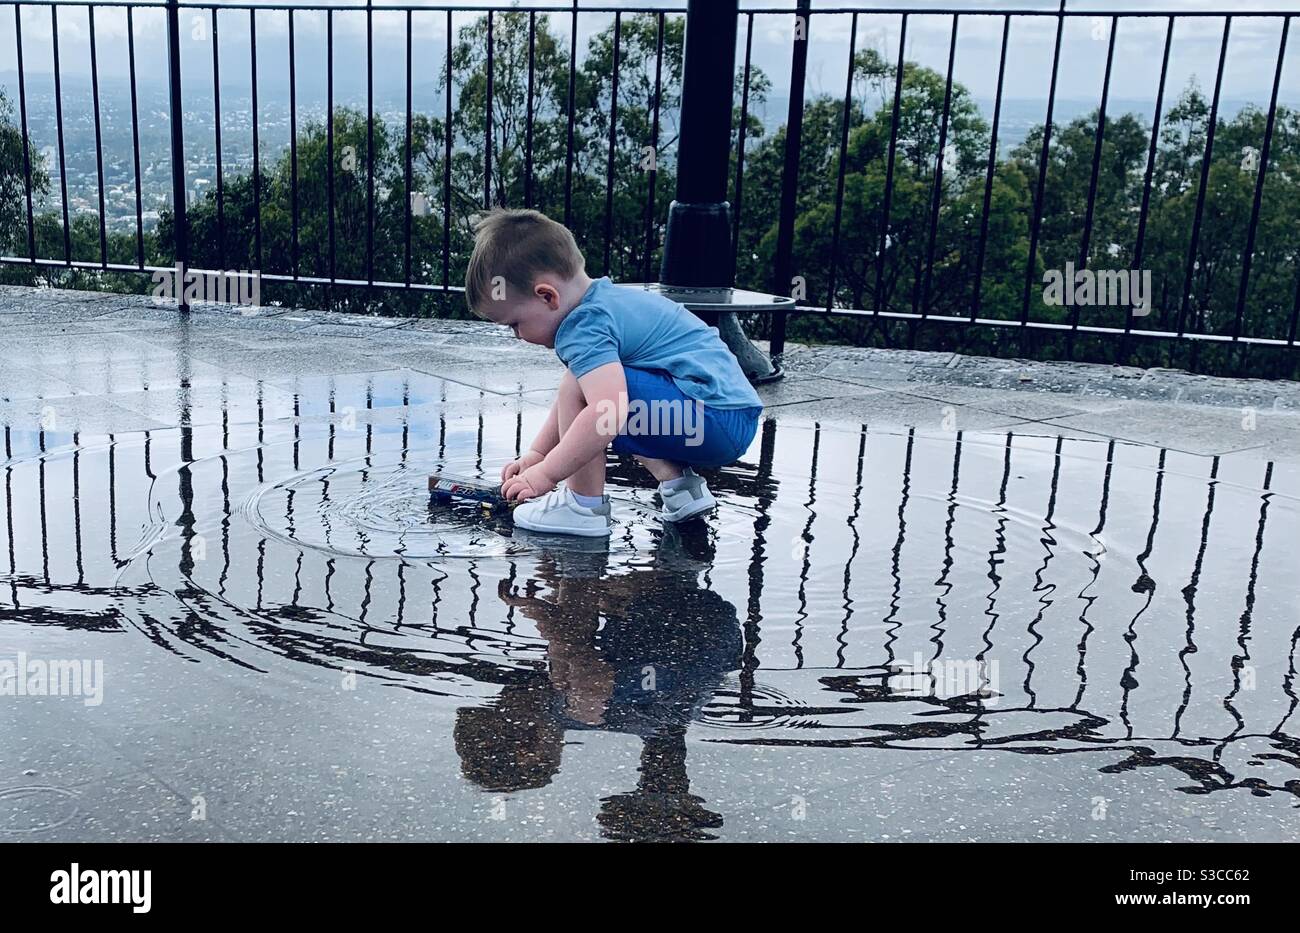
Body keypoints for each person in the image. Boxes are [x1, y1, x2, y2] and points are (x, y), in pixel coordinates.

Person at [464, 208, 763, 537]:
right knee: (599, 389)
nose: (517, 336)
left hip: (708, 419)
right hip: (727, 417)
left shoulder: (582, 326)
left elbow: (603, 412)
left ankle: (583, 507)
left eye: (514, 324)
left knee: (598, 401)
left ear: (547, 295)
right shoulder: (607, 301)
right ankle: (680, 487)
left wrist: (545, 475)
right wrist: (537, 454)